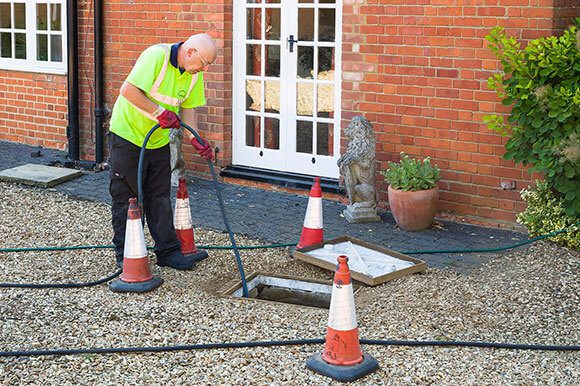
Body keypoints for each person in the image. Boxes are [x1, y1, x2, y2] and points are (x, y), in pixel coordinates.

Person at [107, 33, 217, 270]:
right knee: (127, 199)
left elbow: (188, 109)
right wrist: (159, 112)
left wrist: (195, 139)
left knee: (159, 197)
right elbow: (128, 90)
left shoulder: (192, 75)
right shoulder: (156, 56)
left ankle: (168, 253)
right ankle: (126, 257)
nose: (205, 69)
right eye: (204, 63)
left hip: (157, 141)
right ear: (190, 52)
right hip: (127, 136)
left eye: (209, 65)